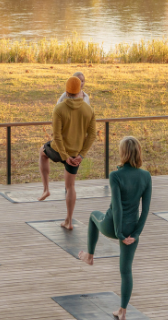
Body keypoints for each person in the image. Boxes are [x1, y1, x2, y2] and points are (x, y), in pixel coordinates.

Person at [79, 137, 151, 320]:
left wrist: (118, 233)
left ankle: (89, 256)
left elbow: (117, 207)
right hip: (132, 229)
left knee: (93, 215)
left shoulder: (115, 176)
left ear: (123, 153)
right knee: (126, 270)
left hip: (112, 226)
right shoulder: (146, 176)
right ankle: (123, 311)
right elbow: (146, 210)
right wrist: (135, 234)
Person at [39, 75, 98, 230]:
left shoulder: (59, 109)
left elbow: (57, 136)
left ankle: (46, 189)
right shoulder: (89, 110)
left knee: (42, 152)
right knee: (70, 186)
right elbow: (92, 135)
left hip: (59, 151)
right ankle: (69, 221)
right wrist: (81, 155)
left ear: (66, 91)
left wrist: (64, 156)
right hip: (75, 155)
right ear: (80, 91)